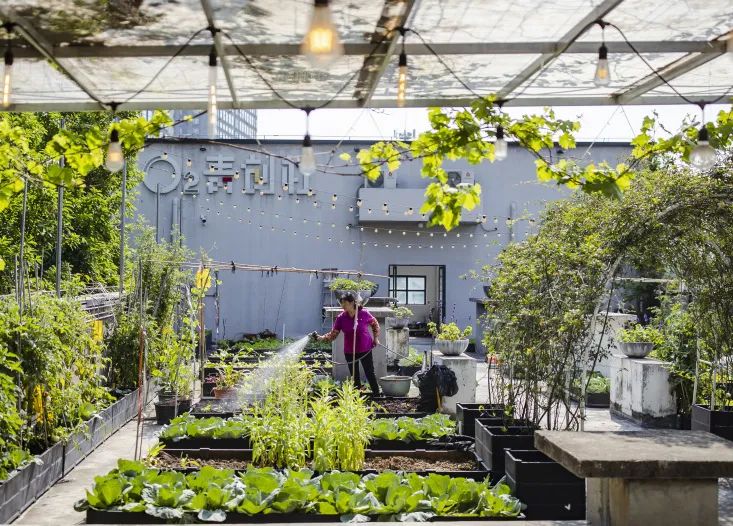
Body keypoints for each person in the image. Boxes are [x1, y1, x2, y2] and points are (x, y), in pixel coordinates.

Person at [315, 292, 381, 395]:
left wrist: (376, 338)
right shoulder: (341, 318)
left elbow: (375, 325)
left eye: (345, 303)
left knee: (369, 372)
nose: (343, 306)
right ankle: (357, 397)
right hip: (350, 351)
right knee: (354, 376)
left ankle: (377, 394)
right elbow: (333, 334)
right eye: (341, 303)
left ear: (352, 302)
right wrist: (321, 338)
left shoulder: (364, 313)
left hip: (365, 349)